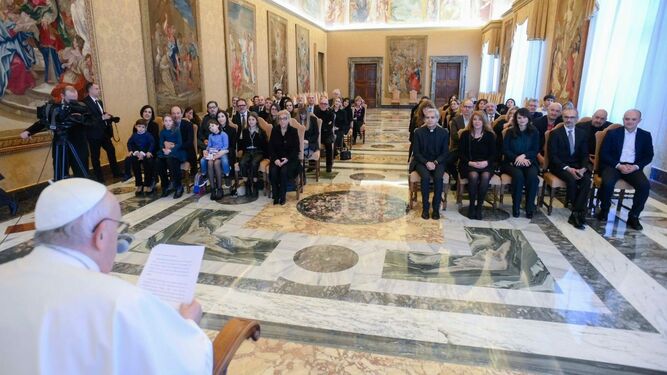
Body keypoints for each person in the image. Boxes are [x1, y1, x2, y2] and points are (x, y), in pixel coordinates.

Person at [0, 178, 212, 373]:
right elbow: (182, 365)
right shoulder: (120, 303)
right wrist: (189, 325)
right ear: (101, 235)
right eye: (118, 229)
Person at [597, 109, 653, 230]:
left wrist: (636, 166)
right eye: (627, 119)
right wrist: (618, 165)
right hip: (614, 165)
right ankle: (604, 210)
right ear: (623, 119)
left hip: (633, 167)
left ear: (639, 120)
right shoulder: (612, 133)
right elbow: (604, 154)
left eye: (633, 119)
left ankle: (633, 216)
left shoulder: (645, 135)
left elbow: (649, 156)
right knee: (607, 183)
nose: (630, 122)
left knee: (644, 186)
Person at [20, 86, 89, 179]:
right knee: (60, 175)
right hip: (60, 144)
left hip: (79, 146)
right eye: (71, 99)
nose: (74, 102)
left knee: (82, 175)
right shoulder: (53, 107)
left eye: (75, 99)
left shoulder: (82, 106)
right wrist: (29, 131)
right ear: (62, 96)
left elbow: (91, 121)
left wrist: (81, 118)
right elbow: (43, 121)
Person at [547, 108, 591, 229]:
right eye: (566, 117)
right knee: (571, 180)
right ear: (562, 118)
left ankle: (576, 213)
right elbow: (553, 156)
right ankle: (578, 213)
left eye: (572, 117)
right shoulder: (555, 133)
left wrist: (583, 168)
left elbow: (584, 154)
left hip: (577, 166)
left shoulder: (582, 133)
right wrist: (568, 168)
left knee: (586, 181)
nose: (569, 120)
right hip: (560, 166)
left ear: (576, 119)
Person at [410, 108, 449, 220]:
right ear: (424, 119)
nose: (430, 120)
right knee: (425, 177)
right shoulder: (418, 132)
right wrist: (427, 162)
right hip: (421, 161)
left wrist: (435, 162)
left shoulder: (443, 133)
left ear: (437, 119)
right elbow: (416, 152)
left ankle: (436, 208)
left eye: (433, 117)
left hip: (438, 161)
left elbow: (445, 152)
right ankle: (425, 208)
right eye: (427, 117)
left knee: (438, 177)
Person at [502, 108, 540, 218]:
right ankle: (516, 207)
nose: (522, 120)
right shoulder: (510, 131)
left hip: (529, 161)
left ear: (528, 118)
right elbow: (505, 149)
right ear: (516, 119)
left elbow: (535, 149)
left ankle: (529, 208)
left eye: (524, 117)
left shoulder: (534, 132)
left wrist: (524, 156)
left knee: (533, 177)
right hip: (511, 162)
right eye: (519, 117)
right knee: (518, 176)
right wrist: (517, 158)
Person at [459, 111, 496, 220]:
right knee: (473, 175)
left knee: (485, 177)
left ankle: (479, 207)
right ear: (471, 121)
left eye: (479, 119)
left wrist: (486, 162)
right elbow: (460, 153)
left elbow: (494, 154)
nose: (477, 122)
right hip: (468, 163)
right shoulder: (465, 134)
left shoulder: (490, 135)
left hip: (486, 163)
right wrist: (470, 163)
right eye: (474, 119)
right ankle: (471, 206)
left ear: (484, 121)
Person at [83, 82, 121, 182]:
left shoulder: (99, 102)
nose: (99, 90)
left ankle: (116, 173)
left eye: (98, 88)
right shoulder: (84, 103)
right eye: (96, 88)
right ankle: (99, 178)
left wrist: (108, 116)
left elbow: (100, 114)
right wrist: (102, 117)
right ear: (90, 90)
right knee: (96, 157)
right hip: (93, 134)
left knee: (111, 151)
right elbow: (88, 120)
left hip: (104, 133)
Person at [268, 110, 299, 205]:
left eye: (284, 119)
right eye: (280, 119)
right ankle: (276, 195)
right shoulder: (274, 130)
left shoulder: (293, 131)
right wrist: (275, 159)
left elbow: (296, 149)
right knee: (273, 171)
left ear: (288, 119)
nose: (282, 121)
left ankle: (282, 195)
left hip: (290, 159)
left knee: (283, 171)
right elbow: (271, 147)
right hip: (277, 158)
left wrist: (287, 159)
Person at [239, 112, 268, 197]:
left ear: (256, 121)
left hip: (258, 151)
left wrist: (267, 157)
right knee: (242, 163)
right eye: (249, 120)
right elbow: (242, 144)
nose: (251, 121)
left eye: (253, 119)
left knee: (254, 163)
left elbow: (265, 145)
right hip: (248, 151)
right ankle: (247, 184)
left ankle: (255, 185)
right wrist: (242, 152)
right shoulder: (244, 131)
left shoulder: (261, 131)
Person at [157, 114, 186, 198]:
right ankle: (165, 185)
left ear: (173, 122)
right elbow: (161, 143)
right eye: (166, 121)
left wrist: (170, 150)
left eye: (170, 121)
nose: (168, 123)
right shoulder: (162, 132)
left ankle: (178, 185)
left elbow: (179, 143)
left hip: (176, 151)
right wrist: (164, 149)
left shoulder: (176, 130)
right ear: (163, 122)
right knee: (158, 161)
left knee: (171, 159)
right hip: (165, 151)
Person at [201, 120, 230, 200]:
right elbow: (209, 146)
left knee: (216, 163)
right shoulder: (210, 136)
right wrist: (206, 150)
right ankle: (213, 188)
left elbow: (225, 147)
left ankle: (220, 188)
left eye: (212, 126)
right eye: (210, 127)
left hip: (221, 154)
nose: (211, 128)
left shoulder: (224, 134)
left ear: (217, 125)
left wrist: (218, 153)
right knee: (210, 163)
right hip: (212, 153)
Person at [126, 120, 156, 195]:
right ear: (136, 126)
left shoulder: (148, 135)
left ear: (146, 128)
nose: (141, 128)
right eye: (139, 126)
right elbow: (129, 143)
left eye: (143, 127)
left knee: (148, 163)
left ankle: (148, 184)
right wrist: (131, 151)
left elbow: (152, 144)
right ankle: (139, 184)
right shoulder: (134, 135)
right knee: (133, 162)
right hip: (137, 153)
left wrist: (149, 152)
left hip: (146, 154)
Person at [448, 99, 474, 181]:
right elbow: (454, 136)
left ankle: (470, 181)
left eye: (469, 107)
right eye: (465, 107)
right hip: (458, 147)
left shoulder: (476, 119)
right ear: (461, 108)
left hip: (474, 148)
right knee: (448, 161)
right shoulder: (456, 120)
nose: (467, 109)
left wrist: (462, 132)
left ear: (473, 108)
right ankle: (458, 180)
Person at [534, 102, 563, 166]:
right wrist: (539, 156)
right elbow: (532, 142)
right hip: (538, 152)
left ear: (560, 113)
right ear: (547, 110)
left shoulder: (562, 124)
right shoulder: (536, 122)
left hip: (554, 154)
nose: (554, 113)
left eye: (557, 111)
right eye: (552, 110)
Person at [171, 106, 197, 175]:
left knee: (173, 159)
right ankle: (166, 183)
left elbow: (189, 142)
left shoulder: (188, 125)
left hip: (186, 150)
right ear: (171, 115)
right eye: (173, 113)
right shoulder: (169, 125)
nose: (176, 115)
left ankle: (176, 180)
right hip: (172, 150)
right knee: (159, 160)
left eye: (178, 113)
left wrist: (176, 146)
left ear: (182, 114)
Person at [314, 97, 335, 173]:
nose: (323, 105)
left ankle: (328, 166)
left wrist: (322, 126)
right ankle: (312, 164)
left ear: (327, 105)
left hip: (327, 134)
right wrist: (324, 125)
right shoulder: (315, 113)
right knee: (311, 142)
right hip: (317, 134)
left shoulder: (331, 114)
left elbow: (329, 126)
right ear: (319, 104)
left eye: (325, 104)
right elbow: (314, 125)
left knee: (328, 144)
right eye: (322, 103)